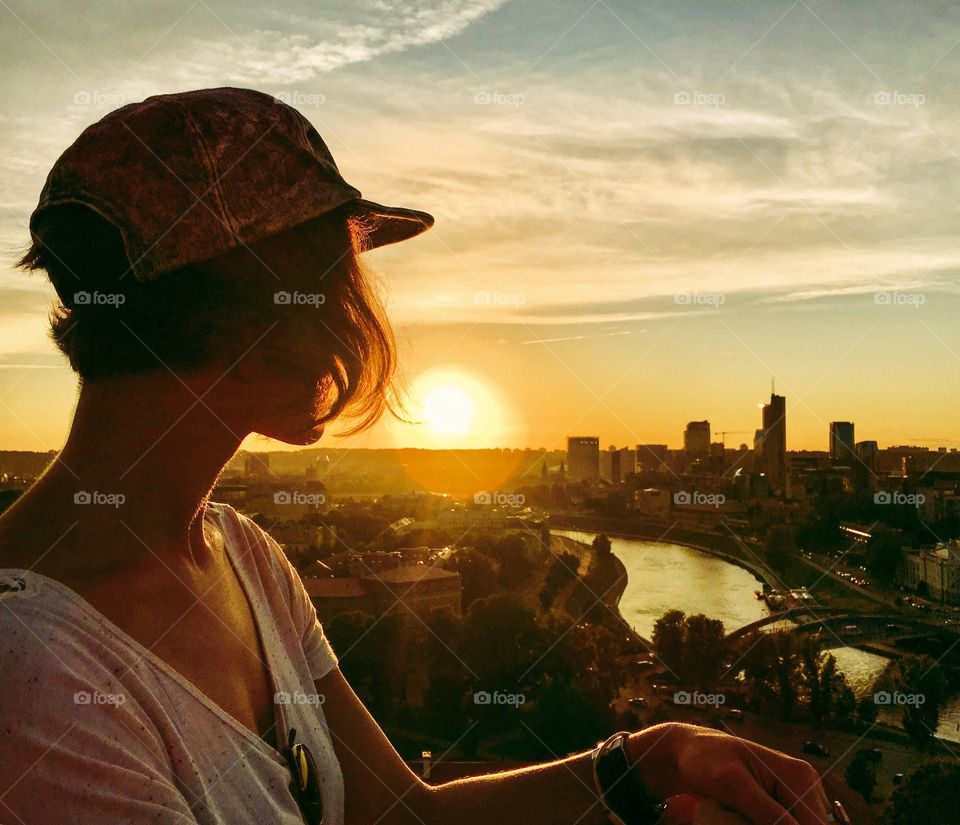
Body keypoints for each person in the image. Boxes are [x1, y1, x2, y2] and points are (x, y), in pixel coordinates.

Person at [0, 88, 836, 825]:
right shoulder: (28, 677)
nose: (353, 323)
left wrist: (643, 759)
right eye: (337, 282)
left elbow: (398, 814)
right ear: (242, 316)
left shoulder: (243, 555)